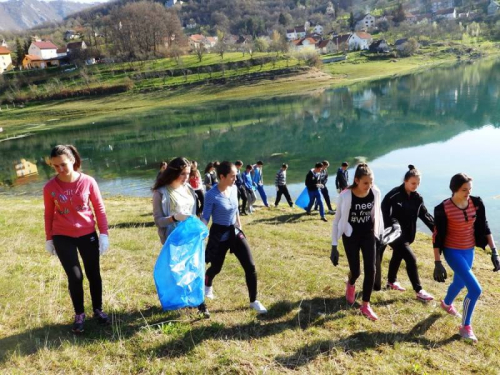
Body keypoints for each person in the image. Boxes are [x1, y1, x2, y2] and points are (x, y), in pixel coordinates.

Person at [43, 144, 110, 334]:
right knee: (75, 276)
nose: (60, 170)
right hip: (62, 236)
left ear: (72, 160)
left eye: (63, 164)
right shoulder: (49, 187)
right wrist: (49, 239)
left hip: (87, 234)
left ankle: (98, 309)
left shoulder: (88, 181)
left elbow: (99, 208)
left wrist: (103, 233)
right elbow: (48, 214)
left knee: (93, 273)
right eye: (55, 166)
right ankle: (79, 314)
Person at [432, 173, 500, 343]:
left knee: (460, 282)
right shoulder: (443, 208)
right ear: (454, 189)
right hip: (452, 251)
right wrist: (437, 262)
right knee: (475, 289)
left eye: (469, 189)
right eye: (464, 190)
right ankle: (465, 327)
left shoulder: (476, 203)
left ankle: (446, 304)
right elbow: (437, 236)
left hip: (469, 250)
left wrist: (494, 252)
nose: (468, 192)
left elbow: (485, 227)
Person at [202, 161, 267, 314]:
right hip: (219, 235)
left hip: (234, 232)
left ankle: (254, 301)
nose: (235, 179)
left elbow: (236, 207)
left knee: (250, 266)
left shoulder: (234, 188)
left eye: (236, 176)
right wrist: (197, 233)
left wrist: (239, 222)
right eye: (232, 176)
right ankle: (208, 282)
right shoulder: (211, 195)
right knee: (216, 268)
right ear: (222, 177)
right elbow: (205, 218)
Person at [152, 157, 208, 317]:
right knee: (177, 271)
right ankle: (179, 300)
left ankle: (200, 302)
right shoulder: (161, 193)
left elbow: (193, 212)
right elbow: (158, 221)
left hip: (191, 237)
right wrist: (175, 218)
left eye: (188, 173)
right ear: (173, 172)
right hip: (174, 240)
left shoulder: (188, 188)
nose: (186, 178)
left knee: (196, 267)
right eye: (183, 174)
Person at [330, 163, 384, 321]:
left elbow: (377, 215)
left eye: (371, 182)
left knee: (371, 270)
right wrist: (334, 246)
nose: (369, 186)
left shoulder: (375, 192)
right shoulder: (346, 195)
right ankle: (351, 283)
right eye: (366, 183)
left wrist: (379, 235)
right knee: (356, 270)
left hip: (368, 235)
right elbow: (337, 220)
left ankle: (365, 305)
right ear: (357, 180)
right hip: (351, 236)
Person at [379, 165, 435, 301]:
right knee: (411, 259)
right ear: (405, 181)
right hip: (392, 233)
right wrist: (389, 228)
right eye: (413, 183)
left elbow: (425, 215)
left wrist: (436, 230)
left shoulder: (417, 198)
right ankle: (419, 290)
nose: (415, 186)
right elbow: (381, 212)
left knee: (397, 256)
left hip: (408, 235)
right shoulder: (394, 195)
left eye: (418, 183)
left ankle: (391, 281)